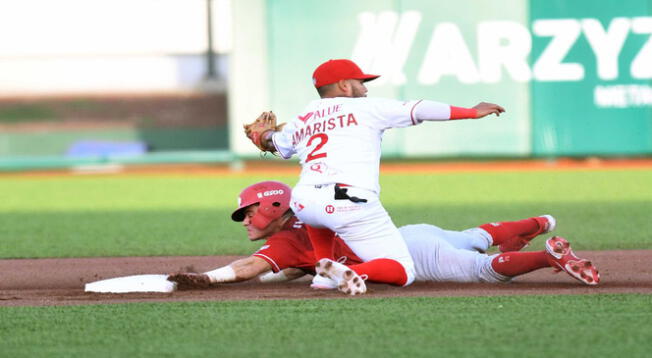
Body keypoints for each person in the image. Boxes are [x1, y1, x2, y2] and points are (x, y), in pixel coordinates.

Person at [242, 59, 506, 295]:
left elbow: (273, 141)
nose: (365, 88)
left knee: (318, 212)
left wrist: (258, 135)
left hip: (303, 201)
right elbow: (419, 108)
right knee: (403, 270)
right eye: (361, 82)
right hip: (347, 199)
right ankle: (353, 275)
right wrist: (471, 112)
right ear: (345, 85)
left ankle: (324, 275)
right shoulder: (366, 108)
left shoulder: (303, 118)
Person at [167, 181, 600, 292]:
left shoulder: (282, 240)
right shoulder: (310, 206)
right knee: (473, 236)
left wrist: (207, 278)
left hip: (403, 253)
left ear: (271, 208)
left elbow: (249, 268)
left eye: (247, 213)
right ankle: (538, 222)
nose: (245, 220)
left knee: (483, 271)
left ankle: (549, 257)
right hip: (408, 233)